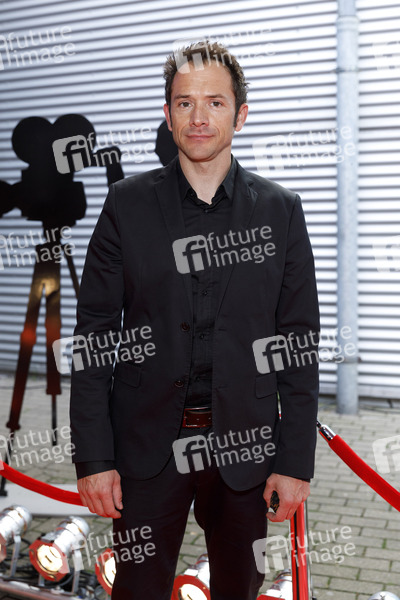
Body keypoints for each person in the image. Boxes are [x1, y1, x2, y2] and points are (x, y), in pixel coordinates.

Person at [70, 41, 320, 600]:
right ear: (168, 115)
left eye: (215, 102)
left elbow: (298, 343)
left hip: (246, 449)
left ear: (241, 114)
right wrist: (94, 457)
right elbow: (95, 337)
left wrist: (294, 462)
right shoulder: (125, 205)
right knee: (137, 589)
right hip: (145, 448)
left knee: (238, 588)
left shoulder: (281, 210)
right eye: (184, 103)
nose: (199, 117)